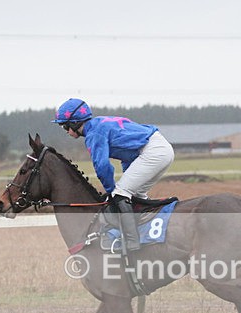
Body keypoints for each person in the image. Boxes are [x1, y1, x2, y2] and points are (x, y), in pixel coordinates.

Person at [52, 98, 174, 252]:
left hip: (153, 151)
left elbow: (102, 166)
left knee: (120, 193)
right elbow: (127, 156)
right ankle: (146, 233)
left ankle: (132, 243)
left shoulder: (93, 133)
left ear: (75, 122)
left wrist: (111, 191)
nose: (65, 130)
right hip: (160, 148)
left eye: (65, 126)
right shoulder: (100, 123)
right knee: (135, 194)